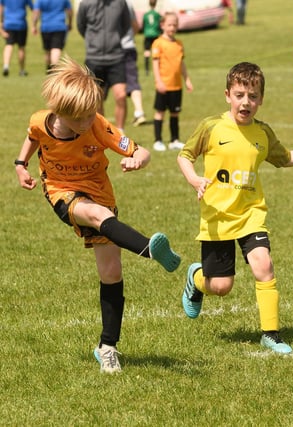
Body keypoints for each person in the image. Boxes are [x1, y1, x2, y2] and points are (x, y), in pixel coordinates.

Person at [13, 56, 182, 374]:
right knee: (92, 212)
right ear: (60, 112)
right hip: (62, 191)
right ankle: (149, 249)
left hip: (102, 195)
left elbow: (140, 150)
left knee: (111, 273)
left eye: (92, 113)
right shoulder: (41, 120)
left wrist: (137, 161)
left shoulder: (97, 125)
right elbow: (33, 136)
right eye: (81, 118)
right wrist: (20, 165)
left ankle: (107, 347)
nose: (88, 121)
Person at [177, 62, 293, 355]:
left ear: (261, 99)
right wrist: (193, 179)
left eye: (253, 96)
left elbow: (287, 158)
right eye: (240, 95)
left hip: (252, 214)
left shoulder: (262, 133)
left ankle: (271, 334)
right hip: (217, 217)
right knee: (221, 287)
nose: (246, 102)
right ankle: (196, 279)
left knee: (263, 266)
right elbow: (185, 155)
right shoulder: (211, 127)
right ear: (227, 95)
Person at [77, 0, 131, 132]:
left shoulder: (120, 3)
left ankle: (120, 133)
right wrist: (94, 42)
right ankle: (102, 132)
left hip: (116, 57)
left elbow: (125, 25)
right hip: (94, 58)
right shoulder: (85, 4)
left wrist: (115, 39)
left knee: (121, 95)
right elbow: (81, 26)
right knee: (97, 100)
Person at [151, 12, 193, 152]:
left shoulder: (179, 44)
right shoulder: (158, 43)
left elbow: (181, 64)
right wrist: (158, 82)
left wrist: (187, 79)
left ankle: (174, 140)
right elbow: (155, 64)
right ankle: (158, 140)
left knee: (175, 113)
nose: (172, 27)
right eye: (169, 24)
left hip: (176, 85)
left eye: (175, 24)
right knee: (160, 113)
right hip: (164, 85)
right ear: (162, 25)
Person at [122, 0, 146, 126]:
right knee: (132, 81)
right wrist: (130, 37)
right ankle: (139, 112)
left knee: (105, 85)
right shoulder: (128, 3)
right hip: (128, 47)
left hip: (108, 51)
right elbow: (135, 25)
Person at [31, 0, 72, 72]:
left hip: (45, 27)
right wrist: (70, 23)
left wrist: (34, 25)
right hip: (59, 26)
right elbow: (69, 11)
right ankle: (54, 68)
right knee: (56, 48)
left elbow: (36, 12)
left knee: (47, 50)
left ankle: (49, 68)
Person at [0, 0, 33, 77]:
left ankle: (6, 66)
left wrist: (1, 23)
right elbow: (33, 8)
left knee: (9, 45)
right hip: (21, 24)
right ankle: (22, 70)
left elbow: (1, 9)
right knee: (21, 47)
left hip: (8, 23)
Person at [141, 0, 161, 76]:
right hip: (155, 35)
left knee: (147, 52)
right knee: (156, 53)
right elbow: (160, 25)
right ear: (156, 4)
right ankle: (157, 69)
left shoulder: (145, 15)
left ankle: (147, 70)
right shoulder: (157, 14)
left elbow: (143, 25)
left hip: (147, 35)